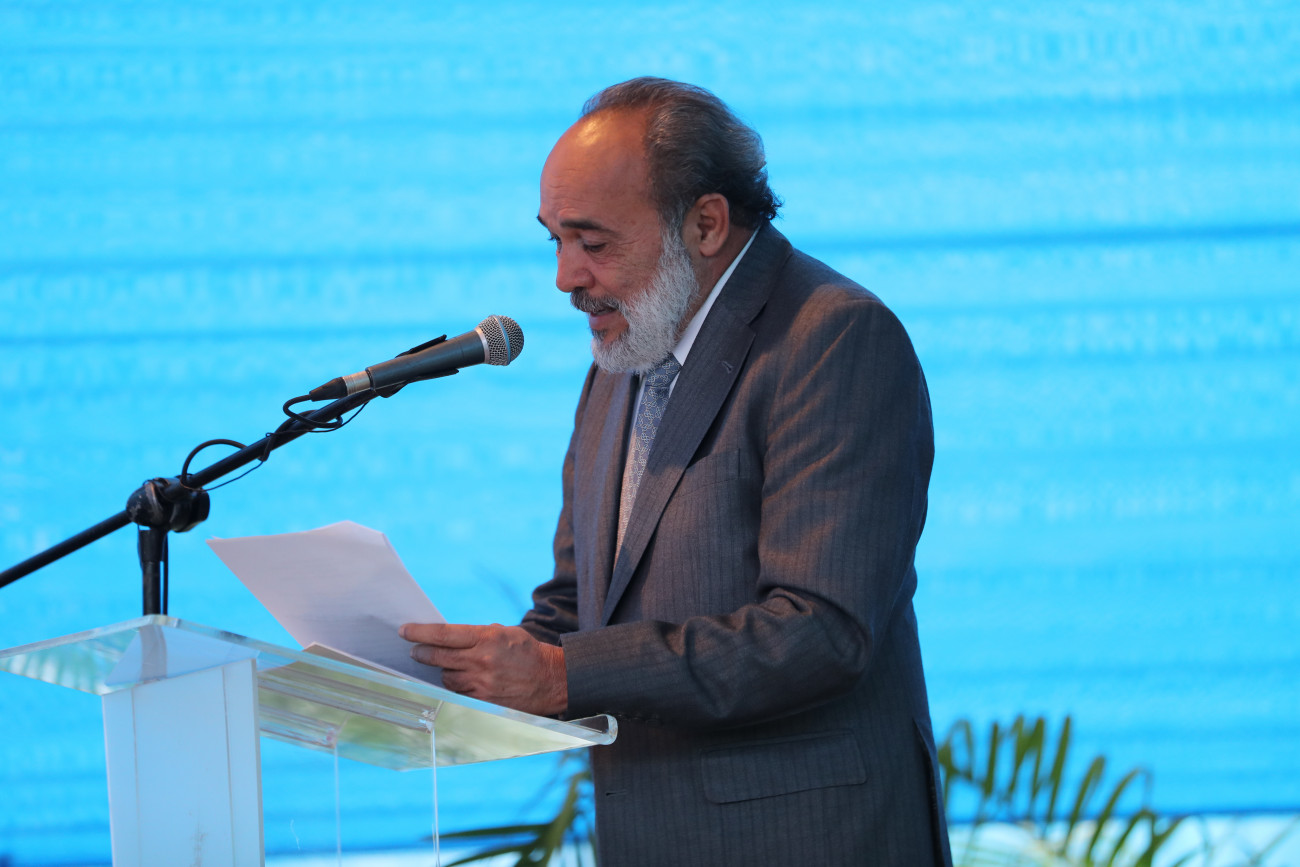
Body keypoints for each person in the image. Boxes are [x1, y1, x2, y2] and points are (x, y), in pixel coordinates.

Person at [401, 77, 952, 867]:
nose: (565, 277)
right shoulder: (624, 355)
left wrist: (561, 676)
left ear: (706, 223)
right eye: (554, 240)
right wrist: (452, 673)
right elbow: (579, 606)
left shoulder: (832, 339)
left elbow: (820, 631)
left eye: (594, 243)